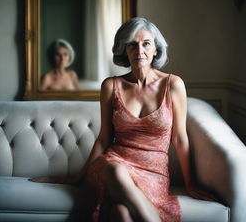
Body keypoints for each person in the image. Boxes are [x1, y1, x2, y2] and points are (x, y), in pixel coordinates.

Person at [31, 18, 215, 221]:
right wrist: (79, 176)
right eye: (132, 45)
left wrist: (190, 184)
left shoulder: (173, 85)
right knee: (116, 171)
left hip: (153, 173)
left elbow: (180, 139)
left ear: (155, 49)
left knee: (121, 213)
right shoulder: (111, 86)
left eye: (146, 43)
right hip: (113, 165)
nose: (139, 50)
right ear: (124, 50)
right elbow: (104, 139)